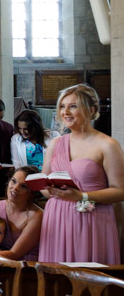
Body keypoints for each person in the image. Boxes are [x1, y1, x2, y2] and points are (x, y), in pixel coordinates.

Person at [38, 84, 124, 265]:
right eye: (62, 106)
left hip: (92, 219)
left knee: (89, 279)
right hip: (57, 218)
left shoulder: (107, 144)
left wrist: (81, 196)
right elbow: (43, 182)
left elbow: (120, 191)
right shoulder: (56, 143)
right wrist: (51, 190)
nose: (65, 112)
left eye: (73, 106)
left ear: (91, 110)